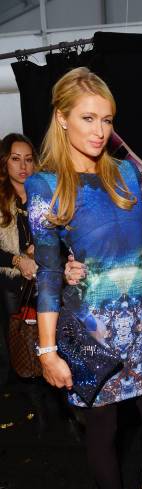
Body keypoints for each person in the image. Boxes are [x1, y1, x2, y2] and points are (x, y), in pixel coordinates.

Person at [26, 67, 142, 489]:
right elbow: (48, 274)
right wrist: (47, 352)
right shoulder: (45, 187)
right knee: (104, 430)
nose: (99, 130)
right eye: (87, 118)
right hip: (91, 328)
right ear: (61, 118)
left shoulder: (127, 172)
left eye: (107, 120)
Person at [0, 133, 38, 381]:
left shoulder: (45, 194)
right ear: (5, 162)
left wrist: (44, 248)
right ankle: (38, 413)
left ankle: (64, 409)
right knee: (22, 347)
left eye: (28, 159)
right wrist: (18, 260)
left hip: (48, 281)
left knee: (54, 345)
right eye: (16, 159)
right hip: (14, 286)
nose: (23, 166)